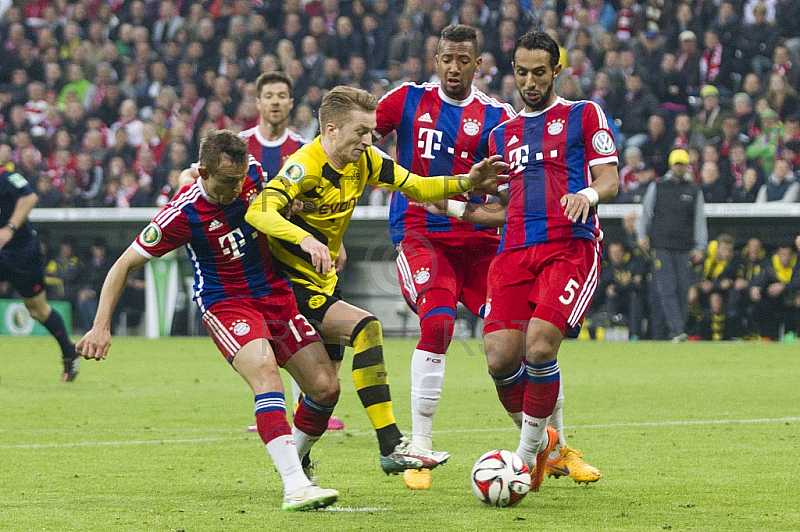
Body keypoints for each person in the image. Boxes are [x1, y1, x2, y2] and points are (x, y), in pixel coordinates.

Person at [245, 86, 507, 477]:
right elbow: (258, 210)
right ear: (331, 130)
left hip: (323, 281)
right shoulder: (305, 165)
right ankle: (391, 444)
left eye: (371, 132)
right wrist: (305, 238)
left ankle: (295, 468)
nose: (369, 141)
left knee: (325, 390)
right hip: (287, 283)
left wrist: (466, 181)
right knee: (367, 329)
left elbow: (417, 186)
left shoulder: (364, 160)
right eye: (360, 133)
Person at [76, 130, 342, 511]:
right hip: (227, 303)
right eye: (226, 182)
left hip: (275, 295)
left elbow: (282, 200)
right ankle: (295, 485)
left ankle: (294, 462)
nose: (236, 189)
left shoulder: (253, 175)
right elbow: (123, 265)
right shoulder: (181, 213)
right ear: (203, 171)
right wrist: (101, 326)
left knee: (325, 388)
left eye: (240, 179)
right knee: (266, 373)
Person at [425, 31, 617, 490]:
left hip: (569, 245)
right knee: (498, 358)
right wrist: (453, 205)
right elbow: (503, 208)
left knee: (540, 345)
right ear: (512, 72)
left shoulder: (582, 114)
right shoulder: (501, 135)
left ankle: (528, 457)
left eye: (539, 72)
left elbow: (609, 178)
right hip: (512, 252)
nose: (529, 82)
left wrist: (586, 195)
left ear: (556, 70)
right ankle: (550, 446)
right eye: (521, 72)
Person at [373, 24, 515, 490]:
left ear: (479, 65)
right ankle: (420, 444)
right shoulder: (406, 101)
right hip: (421, 236)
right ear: (436, 61)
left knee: (517, 343)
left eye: (463, 60)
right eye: (446, 59)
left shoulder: (499, 116)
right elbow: (355, 133)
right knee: (438, 322)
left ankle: (546, 447)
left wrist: (465, 208)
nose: (454, 68)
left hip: (479, 247)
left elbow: (509, 204)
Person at [240, 70, 345, 434]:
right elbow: (196, 178)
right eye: (268, 95)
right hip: (252, 257)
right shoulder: (239, 146)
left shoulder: (306, 148)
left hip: (296, 253)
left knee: (306, 327)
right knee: (264, 332)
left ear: (290, 102)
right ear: (257, 102)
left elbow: (327, 202)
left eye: (281, 95)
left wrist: (337, 241)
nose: (274, 101)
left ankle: (312, 407)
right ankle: (274, 406)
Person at [0, 165, 79, 382]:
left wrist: (9, 228)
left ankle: (70, 353)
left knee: (37, 310)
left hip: (21, 253)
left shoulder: (6, 177)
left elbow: (29, 197)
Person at [637, 149, 708, 343]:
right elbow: (645, 213)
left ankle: (678, 330)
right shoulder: (658, 186)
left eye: (683, 164)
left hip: (684, 248)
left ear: (687, 167)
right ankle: (677, 331)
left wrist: (701, 246)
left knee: (683, 290)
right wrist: (641, 235)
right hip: (662, 246)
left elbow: (699, 220)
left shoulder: (694, 190)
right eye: (677, 164)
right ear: (671, 165)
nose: (680, 167)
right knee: (667, 288)